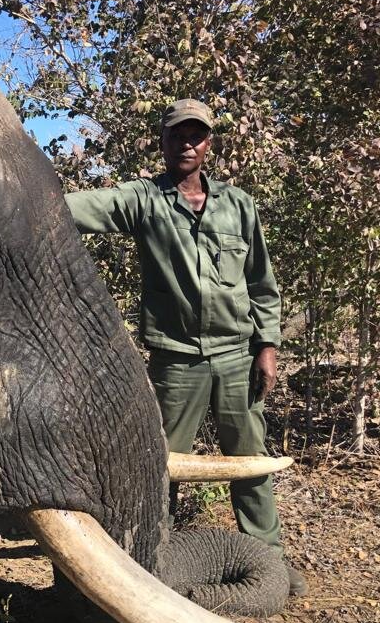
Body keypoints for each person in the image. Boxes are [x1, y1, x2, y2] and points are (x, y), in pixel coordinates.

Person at [64, 98, 307, 595]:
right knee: (163, 466)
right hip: (177, 362)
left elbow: (262, 283)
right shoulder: (143, 200)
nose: (187, 143)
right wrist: (15, 194)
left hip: (238, 357)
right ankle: (154, 558)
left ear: (209, 144)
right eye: (178, 135)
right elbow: (72, 209)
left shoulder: (238, 204)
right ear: (164, 142)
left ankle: (270, 563)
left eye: (196, 135)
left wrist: (267, 347)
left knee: (250, 462)